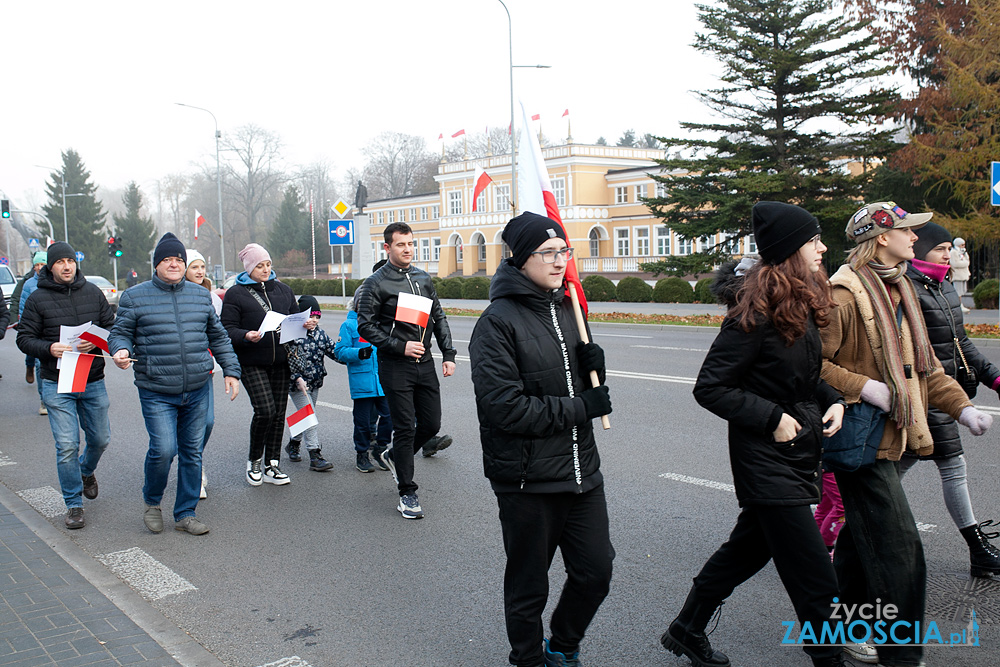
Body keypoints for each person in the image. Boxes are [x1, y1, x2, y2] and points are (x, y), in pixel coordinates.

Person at [662, 202, 847, 667]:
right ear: (789, 251)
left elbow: (798, 375)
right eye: (813, 241)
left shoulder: (795, 301)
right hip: (765, 456)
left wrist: (833, 399)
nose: (822, 248)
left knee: (745, 552)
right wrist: (771, 418)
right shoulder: (753, 313)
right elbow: (711, 387)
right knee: (814, 578)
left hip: (795, 450)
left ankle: (686, 629)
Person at [819, 202, 993, 667]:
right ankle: (902, 659)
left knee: (860, 541)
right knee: (901, 553)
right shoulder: (843, 294)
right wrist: (865, 387)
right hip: (861, 441)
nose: (914, 238)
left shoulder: (901, 290)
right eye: (906, 231)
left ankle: (834, 636)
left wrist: (962, 408)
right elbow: (810, 366)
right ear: (881, 238)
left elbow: (927, 368)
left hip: (894, 434)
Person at [470, 212, 614, 667]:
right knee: (529, 584)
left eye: (564, 252)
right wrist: (581, 408)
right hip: (527, 477)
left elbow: (578, 386)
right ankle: (528, 659)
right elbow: (504, 408)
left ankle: (564, 645)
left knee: (596, 573)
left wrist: (596, 368)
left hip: (580, 470)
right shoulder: (497, 322)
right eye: (548, 253)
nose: (559, 262)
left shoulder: (568, 307)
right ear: (520, 259)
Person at [109, 233, 241, 535]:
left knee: (192, 452)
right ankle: (152, 502)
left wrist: (232, 371)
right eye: (167, 259)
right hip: (156, 389)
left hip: (196, 387)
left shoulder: (199, 296)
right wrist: (120, 350)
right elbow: (120, 333)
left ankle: (185, 512)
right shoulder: (134, 296)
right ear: (157, 265)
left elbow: (218, 337)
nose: (174, 264)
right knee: (164, 449)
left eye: (179, 259)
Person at [901, 222, 1000, 577]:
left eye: (949, 248)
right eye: (941, 248)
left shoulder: (943, 286)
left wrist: (993, 377)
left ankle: (979, 550)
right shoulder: (906, 288)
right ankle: (843, 535)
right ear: (920, 249)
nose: (948, 255)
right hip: (921, 395)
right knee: (888, 474)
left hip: (944, 394)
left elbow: (961, 342)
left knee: (949, 468)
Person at [356, 222, 456, 519]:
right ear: (387, 248)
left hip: (424, 365)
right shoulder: (376, 283)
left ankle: (393, 455)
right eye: (401, 245)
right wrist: (399, 347)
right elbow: (365, 325)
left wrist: (448, 353)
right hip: (396, 365)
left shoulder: (422, 278)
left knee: (431, 424)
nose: (408, 249)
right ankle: (407, 492)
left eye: (411, 243)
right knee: (405, 428)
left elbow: (438, 316)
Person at [16, 242, 115, 530]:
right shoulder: (37, 298)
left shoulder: (93, 293)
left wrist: (96, 340)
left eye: (70, 260)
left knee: (100, 439)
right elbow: (24, 339)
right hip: (56, 380)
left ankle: (86, 472)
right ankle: (74, 504)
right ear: (50, 266)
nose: (67, 266)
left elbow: (112, 327)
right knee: (67, 445)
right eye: (60, 262)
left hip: (91, 377)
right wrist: (50, 348)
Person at [221, 243, 297, 486]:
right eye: (259, 266)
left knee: (279, 414)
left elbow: (295, 319)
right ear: (249, 268)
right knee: (265, 410)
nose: (265, 270)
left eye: (268, 264)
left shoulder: (283, 290)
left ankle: (272, 464)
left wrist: (304, 325)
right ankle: (254, 460)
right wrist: (246, 335)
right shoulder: (236, 293)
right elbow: (227, 328)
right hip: (251, 360)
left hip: (281, 361)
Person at [334, 294, 393, 473]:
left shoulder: (381, 324)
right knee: (362, 423)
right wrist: (358, 353)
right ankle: (362, 455)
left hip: (383, 381)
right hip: (362, 382)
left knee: (390, 417)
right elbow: (340, 351)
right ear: (357, 304)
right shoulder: (349, 326)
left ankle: (380, 449)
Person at [283, 295, 336, 472]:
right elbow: (287, 359)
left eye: (317, 316)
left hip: (315, 382)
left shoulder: (320, 334)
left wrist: (356, 355)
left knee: (305, 416)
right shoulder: (292, 334)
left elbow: (335, 351)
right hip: (297, 384)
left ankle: (293, 444)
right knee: (310, 417)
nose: (314, 320)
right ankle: (315, 455)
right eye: (310, 316)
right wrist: (296, 377)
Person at [185, 249, 221, 499]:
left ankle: (194, 461)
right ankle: (193, 470)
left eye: (202, 267)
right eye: (194, 267)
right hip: (175, 369)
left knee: (206, 421)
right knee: (180, 427)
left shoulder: (212, 298)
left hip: (204, 368)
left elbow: (219, 334)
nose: (199, 272)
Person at [15, 252, 48, 411]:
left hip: (53, 330)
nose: (39, 268)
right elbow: (22, 306)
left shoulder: (55, 282)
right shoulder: (28, 284)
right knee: (39, 363)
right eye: (37, 265)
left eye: (42, 264)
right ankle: (44, 400)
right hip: (36, 330)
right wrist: (24, 327)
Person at [949, 236, 970, 312]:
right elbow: (955, 263)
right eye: (962, 245)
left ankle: (960, 304)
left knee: (962, 290)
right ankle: (958, 304)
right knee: (958, 291)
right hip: (957, 274)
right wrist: (965, 263)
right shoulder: (954, 252)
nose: (963, 246)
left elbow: (967, 260)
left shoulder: (962, 252)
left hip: (963, 274)